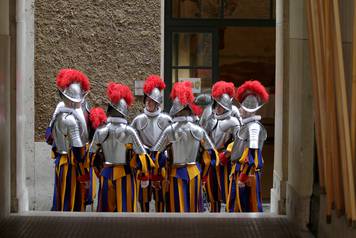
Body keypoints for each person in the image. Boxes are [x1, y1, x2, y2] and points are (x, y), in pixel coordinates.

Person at [151, 81, 218, 212]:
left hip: (176, 173)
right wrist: (204, 175)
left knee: (177, 210)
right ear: (188, 109)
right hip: (195, 172)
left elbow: (156, 154)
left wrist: (158, 176)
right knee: (194, 210)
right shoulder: (198, 130)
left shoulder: (169, 130)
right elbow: (210, 154)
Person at [89, 83, 154, 212]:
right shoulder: (129, 131)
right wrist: (143, 174)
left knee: (105, 212)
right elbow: (142, 155)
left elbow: (91, 155)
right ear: (124, 110)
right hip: (126, 174)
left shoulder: (101, 130)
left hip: (106, 173)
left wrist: (98, 170)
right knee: (126, 211)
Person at [48, 69, 91, 211]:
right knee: (72, 199)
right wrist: (85, 164)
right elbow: (78, 148)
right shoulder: (70, 118)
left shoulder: (58, 114)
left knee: (62, 197)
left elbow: (48, 136)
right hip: (72, 164)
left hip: (60, 160)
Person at [131, 75, 172, 212]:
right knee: (143, 197)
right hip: (144, 162)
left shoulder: (166, 119)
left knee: (160, 197)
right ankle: (143, 221)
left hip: (161, 161)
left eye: (152, 100)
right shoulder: (138, 120)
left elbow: (171, 142)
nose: (148, 102)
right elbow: (132, 143)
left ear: (158, 102)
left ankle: (160, 222)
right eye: (147, 99)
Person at [227, 80, 269, 212]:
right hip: (239, 170)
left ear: (248, 109)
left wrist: (243, 177)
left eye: (242, 107)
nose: (239, 109)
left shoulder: (254, 128)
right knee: (235, 206)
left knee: (248, 208)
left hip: (247, 173)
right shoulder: (246, 126)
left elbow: (253, 153)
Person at [200, 81, 241, 212]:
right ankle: (213, 214)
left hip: (226, 159)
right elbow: (203, 134)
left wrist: (228, 153)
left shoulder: (233, 120)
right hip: (212, 157)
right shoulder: (210, 116)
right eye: (216, 104)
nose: (217, 107)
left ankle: (230, 214)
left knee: (227, 190)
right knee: (212, 192)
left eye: (220, 105)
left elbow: (240, 140)